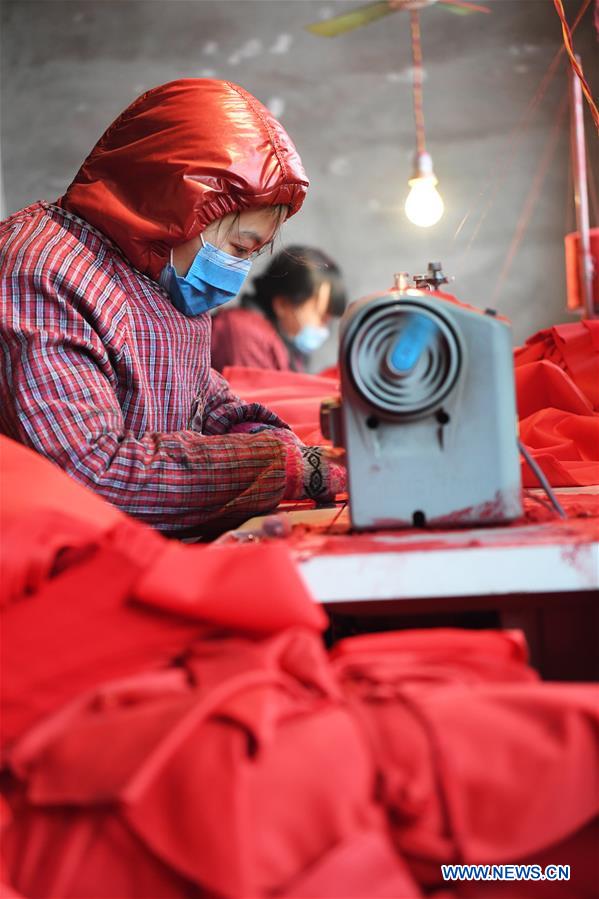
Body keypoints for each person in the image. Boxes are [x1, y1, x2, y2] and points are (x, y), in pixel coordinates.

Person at [0, 79, 345, 535]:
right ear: (176, 208)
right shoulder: (42, 274)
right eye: (239, 248)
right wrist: (276, 464)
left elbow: (203, 396)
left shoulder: (156, 277)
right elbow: (93, 473)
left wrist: (272, 442)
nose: (238, 271)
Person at [211, 245, 347, 373]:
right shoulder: (244, 333)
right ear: (282, 304)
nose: (324, 328)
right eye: (321, 316)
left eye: (328, 319)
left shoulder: (289, 348)